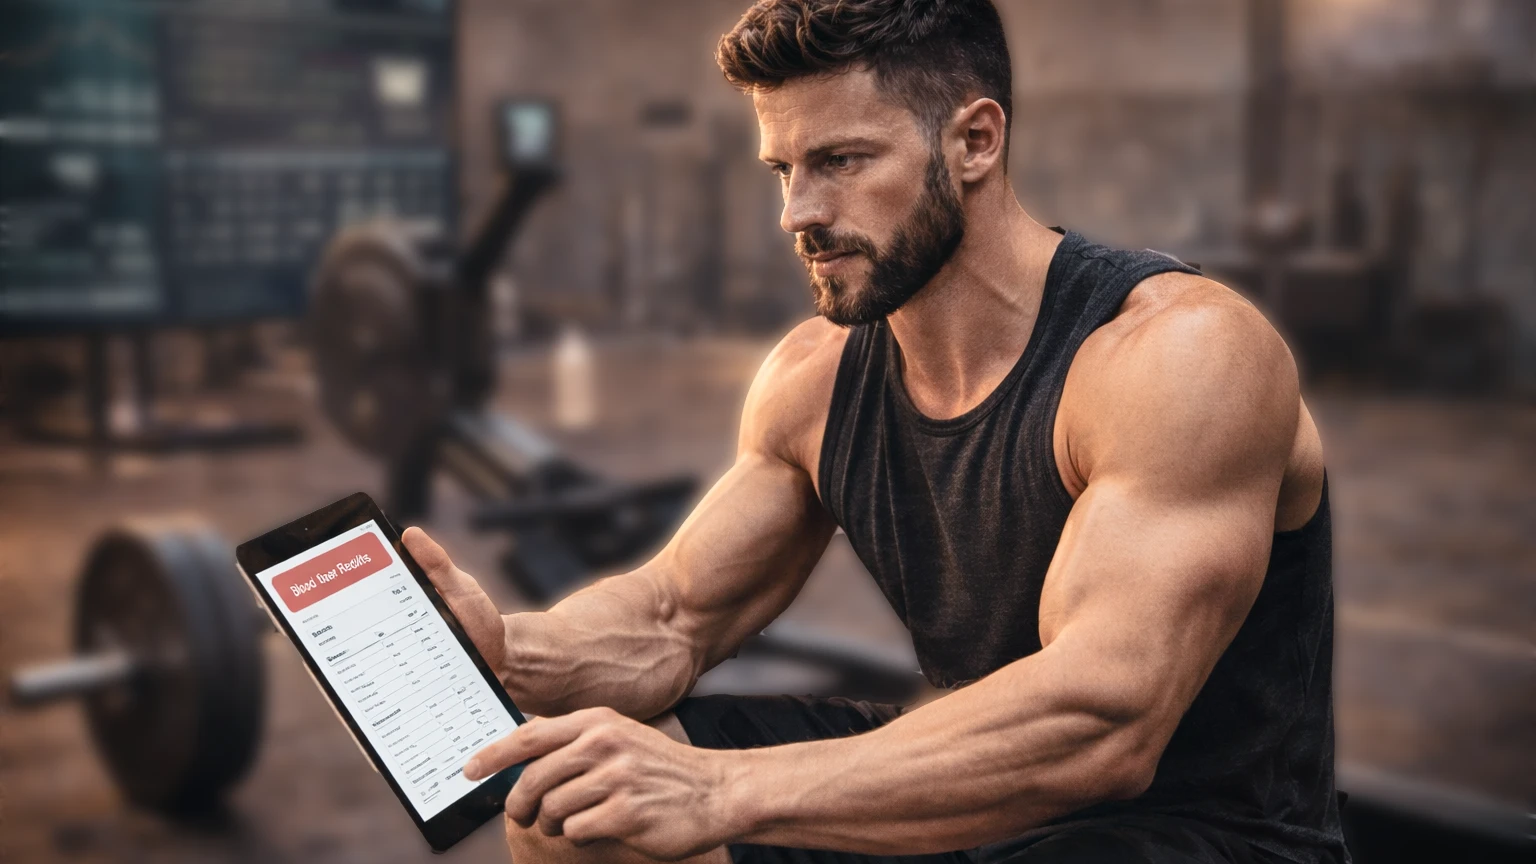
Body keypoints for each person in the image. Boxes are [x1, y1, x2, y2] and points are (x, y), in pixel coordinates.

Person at [400, 1, 1346, 861]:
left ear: (974, 140)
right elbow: (673, 616)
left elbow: (1104, 718)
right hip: (979, 795)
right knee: (574, 815)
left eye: (841, 163)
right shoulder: (815, 381)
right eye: (784, 169)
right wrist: (509, 655)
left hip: (1199, 832)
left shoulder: (1176, 354)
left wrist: (723, 788)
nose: (797, 214)